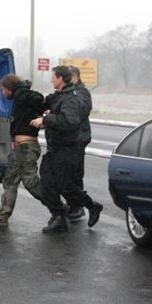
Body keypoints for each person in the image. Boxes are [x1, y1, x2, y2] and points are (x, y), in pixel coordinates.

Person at [30, 65, 103, 233]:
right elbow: (47, 103)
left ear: (60, 79)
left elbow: (70, 121)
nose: (51, 80)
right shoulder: (60, 95)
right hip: (55, 147)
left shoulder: (72, 97)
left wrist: (46, 120)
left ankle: (92, 206)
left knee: (66, 186)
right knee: (47, 183)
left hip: (67, 149)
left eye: (53, 77)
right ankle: (58, 217)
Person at [0, 74, 46, 226]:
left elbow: (38, 99)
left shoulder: (22, 94)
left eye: (3, 89)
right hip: (21, 148)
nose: (3, 93)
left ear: (9, 88)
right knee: (10, 180)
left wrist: (45, 108)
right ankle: (2, 215)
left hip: (26, 148)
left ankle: (59, 208)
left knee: (31, 183)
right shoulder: (20, 96)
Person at [67, 65, 91, 221]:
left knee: (75, 173)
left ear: (75, 77)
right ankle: (72, 205)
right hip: (71, 138)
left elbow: (81, 111)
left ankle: (79, 206)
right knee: (67, 173)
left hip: (78, 138)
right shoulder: (72, 92)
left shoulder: (81, 92)